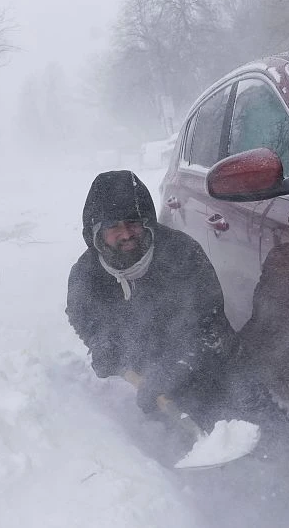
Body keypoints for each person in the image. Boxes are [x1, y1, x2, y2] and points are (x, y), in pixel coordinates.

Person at [66, 170, 237, 429]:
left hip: (197, 360)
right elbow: (82, 317)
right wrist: (103, 346)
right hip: (139, 365)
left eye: (133, 222)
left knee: (226, 401)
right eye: (113, 226)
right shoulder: (86, 274)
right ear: (97, 233)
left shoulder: (182, 254)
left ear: (147, 222)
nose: (126, 234)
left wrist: (173, 370)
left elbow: (209, 325)